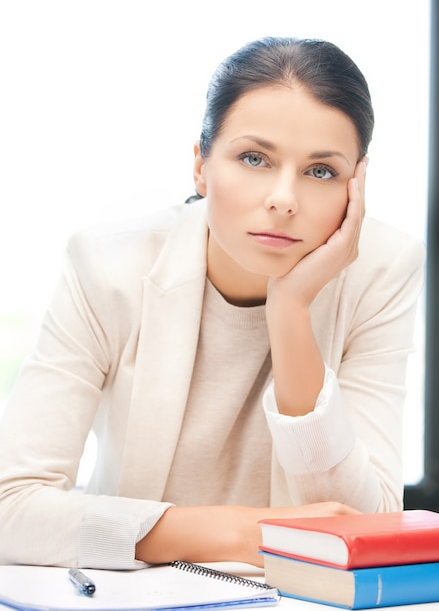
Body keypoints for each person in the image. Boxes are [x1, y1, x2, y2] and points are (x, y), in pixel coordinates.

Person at [0, 36, 425, 570]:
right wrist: (241, 533)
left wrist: (290, 312)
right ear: (200, 165)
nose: (284, 199)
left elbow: (367, 527)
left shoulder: (382, 270)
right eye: (254, 158)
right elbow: (9, 507)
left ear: (356, 186)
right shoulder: (108, 267)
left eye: (321, 171)